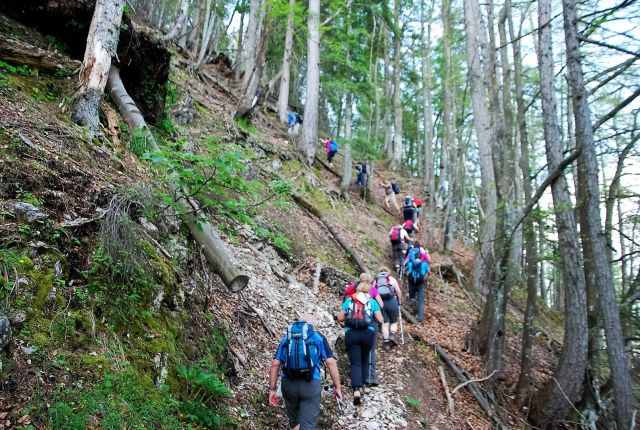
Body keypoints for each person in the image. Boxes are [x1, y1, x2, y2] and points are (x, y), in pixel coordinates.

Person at [269, 314, 343, 429]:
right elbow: (331, 362)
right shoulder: (318, 337)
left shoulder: (287, 338)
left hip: (288, 384)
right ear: (313, 325)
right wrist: (337, 387)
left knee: (295, 423)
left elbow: (275, 364)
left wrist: (272, 389)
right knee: (308, 425)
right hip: (310, 385)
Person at [337, 282, 383, 405]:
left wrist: (348, 316)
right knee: (364, 359)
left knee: (355, 362)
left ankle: (356, 390)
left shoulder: (349, 300)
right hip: (367, 334)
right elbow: (380, 319)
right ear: (368, 290)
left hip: (351, 333)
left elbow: (340, 318)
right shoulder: (372, 302)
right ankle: (364, 385)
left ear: (357, 289)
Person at [345, 273, 383, 388]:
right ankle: (369, 378)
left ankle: (357, 386)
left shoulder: (352, 292)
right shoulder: (372, 292)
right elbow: (381, 306)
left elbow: (342, 315)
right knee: (368, 353)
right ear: (370, 281)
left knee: (355, 361)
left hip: (351, 329)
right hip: (368, 328)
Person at [373, 269, 402, 351]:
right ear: (387, 272)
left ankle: (386, 343)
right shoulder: (392, 279)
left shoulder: (376, 281)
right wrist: (399, 301)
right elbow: (398, 291)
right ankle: (392, 335)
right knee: (393, 321)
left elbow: (372, 291)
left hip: (381, 303)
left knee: (384, 323)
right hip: (392, 301)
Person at [407, 253, 430, 323]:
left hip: (411, 283)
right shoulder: (424, 264)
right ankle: (420, 317)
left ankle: (414, 306)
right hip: (420, 283)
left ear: (415, 257)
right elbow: (429, 272)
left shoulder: (410, 263)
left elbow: (407, 271)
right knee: (421, 301)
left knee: (412, 298)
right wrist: (425, 278)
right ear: (421, 258)